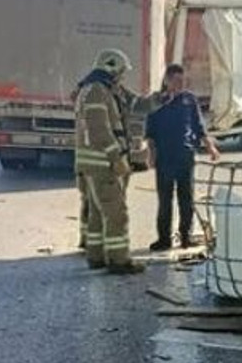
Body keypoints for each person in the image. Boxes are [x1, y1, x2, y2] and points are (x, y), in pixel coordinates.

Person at [73, 49, 145, 274]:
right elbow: (99, 130)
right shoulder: (97, 91)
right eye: (121, 72)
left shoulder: (98, 88)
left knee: (97, 213)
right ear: (111, 68)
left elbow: (137, 104)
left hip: (92, 164)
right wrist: (116, 158)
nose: (123, 77)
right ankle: (118, 260)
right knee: (116, 213)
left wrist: (162, 97)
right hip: (103, 163)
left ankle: (96, 257)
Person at [145, 64, 220, 251]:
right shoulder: (156, 101)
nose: (179, 85)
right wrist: (151, 155)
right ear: (167, 80)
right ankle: (164, 239)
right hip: (165, 157)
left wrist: (210, 147)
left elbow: (199, 125)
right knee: (165, 201)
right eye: (175, 81)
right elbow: (150, 132)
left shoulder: (189, 100)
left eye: (182, 81)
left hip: (185, 156)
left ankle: (185, 236)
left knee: (186, 200)